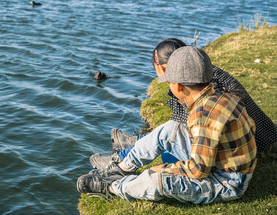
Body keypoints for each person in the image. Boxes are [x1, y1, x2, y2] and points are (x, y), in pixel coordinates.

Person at [77, 46, 257, 204]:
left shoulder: (203, 114)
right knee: (171, 128)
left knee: (157, 181)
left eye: (169, 83)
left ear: (178, 86)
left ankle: (114, 187)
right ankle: (123, 168)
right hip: (220, 162)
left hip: (227, 182)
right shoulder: (220, 96)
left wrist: (161, 168)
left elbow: (197, 170)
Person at [89, 38, 276, 170]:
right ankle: (134, 145)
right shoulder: (205, 73)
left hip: (240, 148)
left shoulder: (188, 84)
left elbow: (184, 127)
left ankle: (124, 155)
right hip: (258, 136)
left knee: (168, 151)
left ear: (162, 67)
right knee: (169, 136)